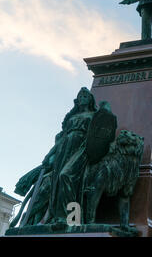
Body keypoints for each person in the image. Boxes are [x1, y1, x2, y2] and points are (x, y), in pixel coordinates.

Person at [44, 87, 98, 224]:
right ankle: (58, 217)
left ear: (91, 99)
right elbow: (62, 137)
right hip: (65, 148)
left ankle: (70, 217)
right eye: (80, 96)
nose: (82, 98)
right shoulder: (72, 117)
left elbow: (98, 134)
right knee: (57, 181)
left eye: (85, 96)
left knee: (66, 175)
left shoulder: (93, 115)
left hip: (81, 147)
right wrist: (49, 154)